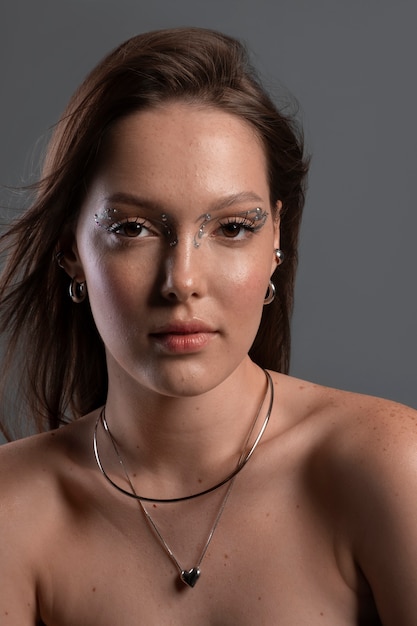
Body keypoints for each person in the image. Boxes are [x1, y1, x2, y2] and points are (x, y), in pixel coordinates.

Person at [0, 26, 416, 625]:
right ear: (70, 250)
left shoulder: (390, 467)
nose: (182, 280)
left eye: (231, 227)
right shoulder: (13, 512)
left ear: (276, 237)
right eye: (133, 228)